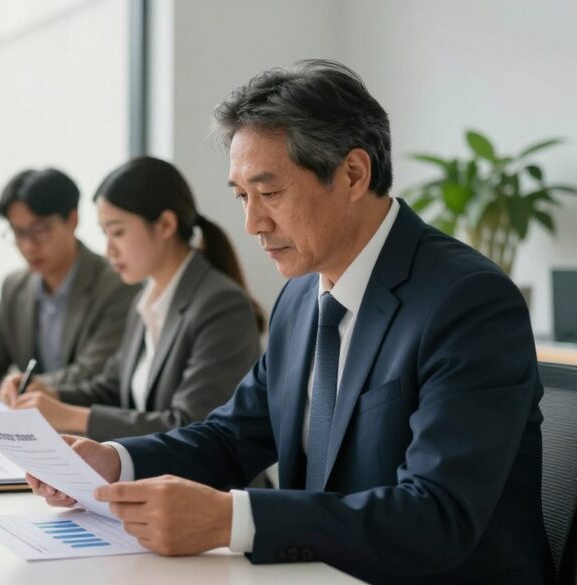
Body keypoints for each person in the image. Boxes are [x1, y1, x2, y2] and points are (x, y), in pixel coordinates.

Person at [27, 60, 547, 584]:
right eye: (242, 196)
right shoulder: (301, 296)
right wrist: (113, 461)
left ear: (352, 174)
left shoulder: (466, 301)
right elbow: (232, 437)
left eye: (270, 193)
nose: (253, 223)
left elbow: (438, 514)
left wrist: (232, 520)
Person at [0, 157, 264, 441]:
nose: (109, 250)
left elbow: (191, 425)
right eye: (105, 234)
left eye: (118, 232)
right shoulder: (147, 299)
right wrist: (50, 394)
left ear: (165, 225)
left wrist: (72, 417)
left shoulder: (219, 304)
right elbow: (112, 388)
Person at [0, 168, 138, 392]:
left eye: (39, 231)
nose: (28, 245)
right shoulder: (14, 286)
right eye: (18, 233)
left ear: (72, 220)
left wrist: (19, 388)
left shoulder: (116, 284)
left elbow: (95, 371)